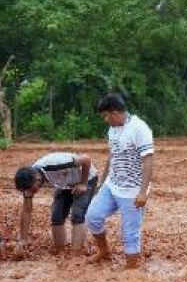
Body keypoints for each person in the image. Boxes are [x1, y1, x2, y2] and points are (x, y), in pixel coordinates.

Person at [87, 93, 155, 269]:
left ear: (115, 113)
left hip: (132, 190)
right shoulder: (113, 129)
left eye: (106, 116)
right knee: (93, 217)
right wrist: (102, 182)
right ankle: (104, 252)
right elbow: (113, 155)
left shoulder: (139, 129)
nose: (105, 120)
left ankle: (131, 270)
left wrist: (142, 192)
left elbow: (148, 160)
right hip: (112, 184)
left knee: (130, 233)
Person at [14, 152, 98, 255]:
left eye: (33, 190)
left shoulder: (55, 165)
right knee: (56, 216)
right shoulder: (29, 179)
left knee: (77, 215)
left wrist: (83, 183)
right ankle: (60, 252)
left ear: (37, 179)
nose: (32, 192)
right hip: (64, 183)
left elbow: (86, 159)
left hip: (86, 178)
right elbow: (27, 211)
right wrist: (23, 239)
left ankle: (76, 254)